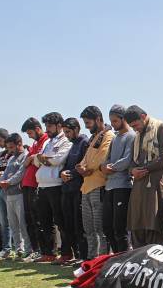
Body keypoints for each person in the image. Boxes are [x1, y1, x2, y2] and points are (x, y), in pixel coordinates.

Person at [126, 105, 163, 247]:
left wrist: (143, 169)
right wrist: (133, 171)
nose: (135, 129)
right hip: (139, 185)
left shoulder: (161, 128)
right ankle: (139, 263)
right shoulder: (137, 138)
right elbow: (132, 162)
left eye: (136, 125)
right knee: (137, 225)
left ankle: (155, 264)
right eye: (132, 127)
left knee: (154, 224)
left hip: (157, 183)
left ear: (144, 117)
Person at [32, 112, 72, 263]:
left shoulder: (65, 140)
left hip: (55, 185)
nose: (47, 129)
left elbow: (57, 160)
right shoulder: (47, 142)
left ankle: (67, 253)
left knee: (60, 221)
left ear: (59, 126)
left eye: (49, 126)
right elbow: (36, 161)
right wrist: (43, 159)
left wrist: (43, 159)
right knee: (44, 221)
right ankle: (49, 252)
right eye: (46, 126)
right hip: (42, 185)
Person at [77, 105, 115, 260]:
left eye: (88, 123)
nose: (86, 126)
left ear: (98, 119)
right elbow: (84, 160)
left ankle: (102, 260)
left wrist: (87, 168)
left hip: (99, 186)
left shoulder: (109, 135)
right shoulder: (94, 137)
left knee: (100, 228)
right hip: (86, 187)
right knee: (89, 228)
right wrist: (80, 167)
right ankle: (91, 260)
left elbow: (102, 158)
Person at [101, 104, 135, 253]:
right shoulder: (115, 139)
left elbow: (127, 160)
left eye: (115, 121)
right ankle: (115, 258)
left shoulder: (132, 136)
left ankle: (123, 259)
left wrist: (111, 167)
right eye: (111, 121)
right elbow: (106, 159)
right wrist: (104, 167)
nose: (113, 124)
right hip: (109, 186)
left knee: (119, 227)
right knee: (107, 227)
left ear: (124, 119)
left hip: (123, 186)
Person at [60, 117, 89, 264]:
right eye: (64, 132)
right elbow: (67, 165)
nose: (66, 135)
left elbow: (84, 166)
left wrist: (70, 173)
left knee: (80, 225)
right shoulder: (72, 145)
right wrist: (63, 173)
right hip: (67, 190)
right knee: (69, 224)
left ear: (77, 129)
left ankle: (83, 256)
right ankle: (76, 255)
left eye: (68, 131)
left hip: (78, 189)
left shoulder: (84, 142)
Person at [0, 133, 31, 260]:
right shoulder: (11, 158)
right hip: (9, 195)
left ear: (19, 144)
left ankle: (28, 249)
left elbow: (21, 173)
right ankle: (18, 250)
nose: (10, 150)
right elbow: (4, 174)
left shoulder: (25, 155)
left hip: (20, 194)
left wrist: (8, 182)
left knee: (23, 224)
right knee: (13, 224)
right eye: (8, 148)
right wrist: (1, 181)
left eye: (12, 147)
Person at [21, 117, 49, 261]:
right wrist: (31, 158)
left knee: (38, 219)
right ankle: (35, 249)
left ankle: (43, 250)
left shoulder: (45, 141)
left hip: (36, 185)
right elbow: (26, 163)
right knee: (30, 219)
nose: (30, 136)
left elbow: (37, 161)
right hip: (27, 184)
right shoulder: (35, 143)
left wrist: (32, 158)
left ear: (38, 129)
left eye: (30, 133)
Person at [0, 128, 12, 259]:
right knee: (3, 220)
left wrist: (4, 174)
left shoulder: (14, 154)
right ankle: (6, 248)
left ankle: (18, 247)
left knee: (15, 220)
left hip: (11, 190)